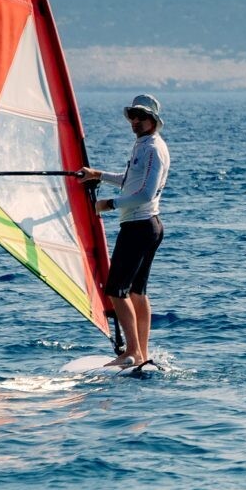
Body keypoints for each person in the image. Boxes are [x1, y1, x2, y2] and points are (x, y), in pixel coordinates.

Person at [82, 94, 170, 372]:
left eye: (141, 116)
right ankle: (141, 353)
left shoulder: (153, 149)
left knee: (116, 290)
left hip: (139, 226)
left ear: (153, 120)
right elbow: (130, 181)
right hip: (145, 226)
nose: (135, 121)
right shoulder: (142, 145)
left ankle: (131, 352)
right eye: (132, 115)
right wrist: (98, 174)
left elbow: (145, 194)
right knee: (136, 291)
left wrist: (108, 205)